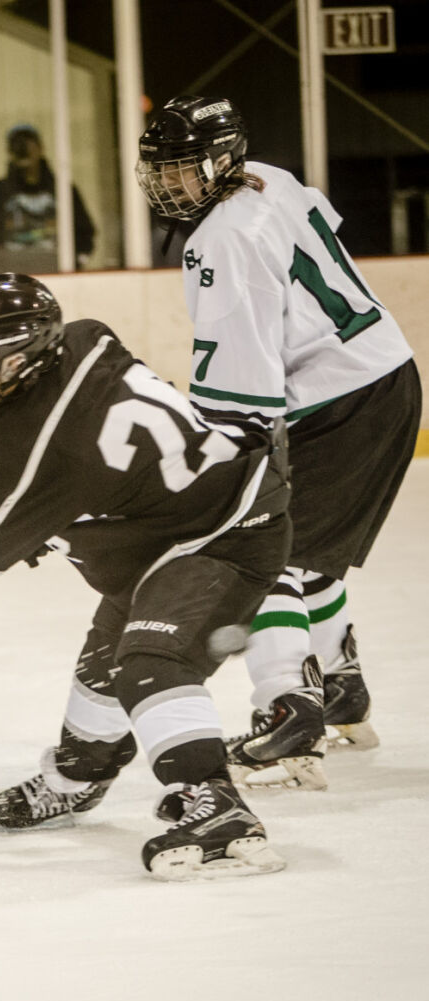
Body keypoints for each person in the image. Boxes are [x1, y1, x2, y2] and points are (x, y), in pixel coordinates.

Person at [0, 273, 292, 881]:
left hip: (226, 533)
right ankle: (77, 780)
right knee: (100, 671)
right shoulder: (84, 340)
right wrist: (56, 515)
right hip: (168, 530)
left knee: (152, 662)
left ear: (25, 355)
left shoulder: (26, 449)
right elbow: (74, 471)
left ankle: (214, 803)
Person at [137, 95, 421, 791]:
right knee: (305, 549)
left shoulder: (219, 240)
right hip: (386, 376)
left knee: (261, 550)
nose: (169, 186)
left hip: (334, 399)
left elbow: (240, 384)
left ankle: (288, 712)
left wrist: (214, 457)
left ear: (221, 158)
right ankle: (342, 686)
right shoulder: (271, 177)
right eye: (161, 172)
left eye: (182, 170)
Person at [0, 124, 96, 268]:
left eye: (28, 144)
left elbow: (85, 232)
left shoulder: (62, 190)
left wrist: (76, 264)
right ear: (9, 151)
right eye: (16, 145)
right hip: (12, 277)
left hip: (58, 272)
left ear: (41, 148)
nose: (23, 149)